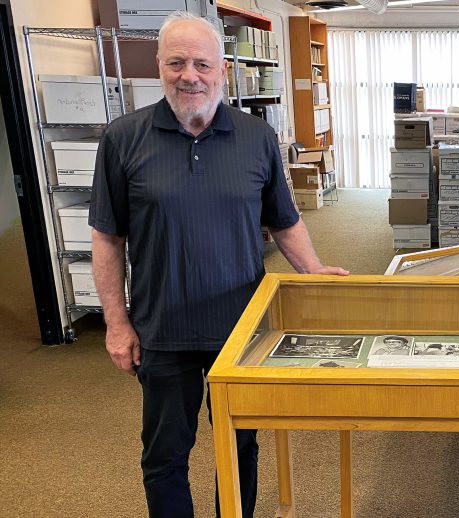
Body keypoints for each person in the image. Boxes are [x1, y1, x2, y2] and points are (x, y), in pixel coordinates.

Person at [88, 11, 348, 518]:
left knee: (240, 446)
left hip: (241, 328)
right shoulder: (123, 138)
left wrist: (312, 271)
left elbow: (284, 219)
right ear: (159, 66)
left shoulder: (256, 138)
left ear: (223, 70)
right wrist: (117, 324)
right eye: (177, 63)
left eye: (202, 64)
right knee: (165, 457)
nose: (190, 75)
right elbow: (107, 237)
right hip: (163, 330)